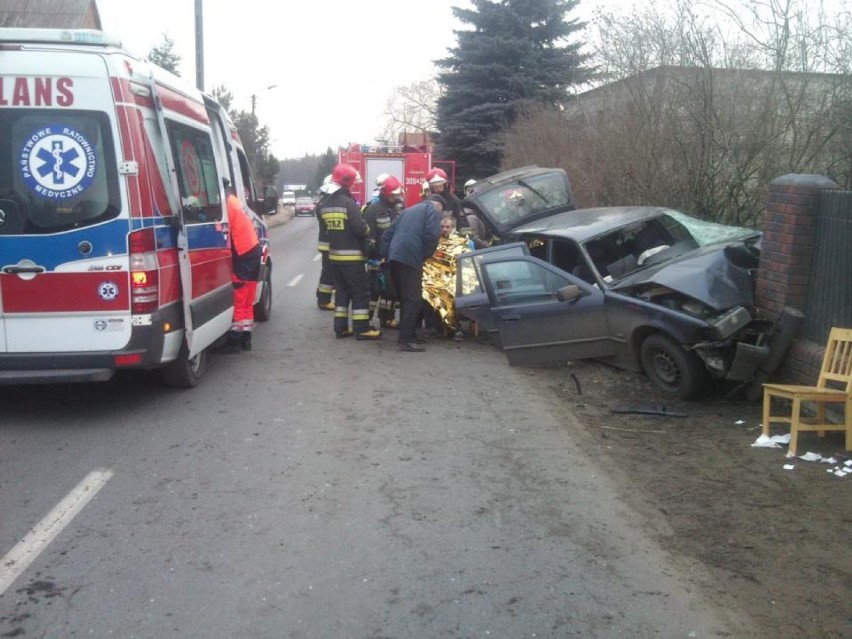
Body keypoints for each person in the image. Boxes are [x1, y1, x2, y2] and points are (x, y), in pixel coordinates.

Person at [318, 163, 382, 340]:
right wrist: (368, 230)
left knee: (342, 292)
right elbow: (360, 229)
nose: (354, 185)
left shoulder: (326, 204)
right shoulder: (348, 203)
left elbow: (325, 230)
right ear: (347, 182)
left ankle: (341, 328)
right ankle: (362, 329)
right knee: (360, 293)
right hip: (353, 258)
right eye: (353, 182)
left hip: (334, 258)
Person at [386, 194, 443, 352]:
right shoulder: (433, 211)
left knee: (406, 298)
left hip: (395, 255)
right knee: (414, 299)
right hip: (411, 256)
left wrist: (386, 254)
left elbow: (389, 232)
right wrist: (424, 255)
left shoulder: (407, 211)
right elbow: (432, 235)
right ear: (437, 205)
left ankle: (409, 334)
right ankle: (405, 339)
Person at [218, 179, 263, 353]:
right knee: (248, 299)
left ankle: (235, 340)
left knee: (239, 296)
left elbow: (222, 226)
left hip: (243, 252)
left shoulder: (225, 202)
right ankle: (246, 338)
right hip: (253, 250)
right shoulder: (234, 199)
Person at [363, 175, 403, 328]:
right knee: (373, 291)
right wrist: (374, 257)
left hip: (392, 257)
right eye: (393, 194)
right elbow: (369, 237)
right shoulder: (372, 210)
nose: (396, 197)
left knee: (391, 291)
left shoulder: (396, 208)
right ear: (386, 194)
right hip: (377, 259)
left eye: (397, 194)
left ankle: (387, 318)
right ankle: (364, 321)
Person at [315, 174, 335, 310]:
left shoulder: (323, 202)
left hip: (327, 243)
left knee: (328, 272)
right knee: (328, 273)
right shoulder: (325, 204)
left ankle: (322, 296)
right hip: (329, 244)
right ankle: (323, 300)